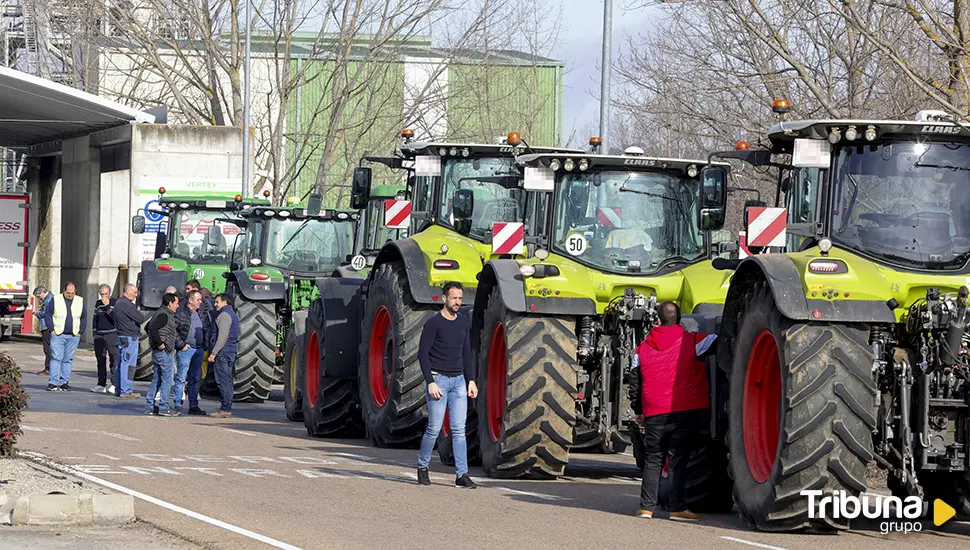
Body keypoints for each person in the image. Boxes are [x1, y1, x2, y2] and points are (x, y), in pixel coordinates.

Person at [630, 301, 716, 520]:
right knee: (677, 459)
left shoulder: (642, 348)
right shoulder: (694, 341)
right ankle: (677, 507)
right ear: (679, 320)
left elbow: (634, 383)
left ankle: (646, 508)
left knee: (653, 460)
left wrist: (639, 410)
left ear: (657, 320)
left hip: (654, 412)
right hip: (683, 410)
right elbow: (717, 339)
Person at [415, 281, 478, 489]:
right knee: (433, 428)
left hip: (459, 381)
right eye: (454, 298)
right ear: (444, 299)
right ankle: (422, 467)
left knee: (459, 430)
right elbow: (422, 354)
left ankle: (462, 474)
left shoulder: (462, 322)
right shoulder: (434, 324)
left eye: (460, 298)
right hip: (439, 381)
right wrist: (430, 382)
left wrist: (471, 380)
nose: (458, 302)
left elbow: (466, 353)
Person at [45, 282, 87, 392]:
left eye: (72, 293)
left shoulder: (79, 300)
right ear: (64, 290)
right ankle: (53, 383)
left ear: (75, 292)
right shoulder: (56, 299)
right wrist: (52, 330)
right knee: (56, 358)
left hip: (73, 335)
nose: (70, 295)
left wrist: (80, 332)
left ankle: (64, 382)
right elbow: (48, 315)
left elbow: (84, 317)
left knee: (68, 359)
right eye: (68, 293)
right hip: (58, 334)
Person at [174, 289, 209, 415]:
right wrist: (181, 344)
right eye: (198, 299)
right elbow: (174, 330)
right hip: (186, 350)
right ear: (190, 300)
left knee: (195, 378)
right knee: (181, 377)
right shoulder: (181, 313)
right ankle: (178, 404)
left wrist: (204, 345)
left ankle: (193, 405)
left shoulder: (200, 313)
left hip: (198, 349)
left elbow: (205, 329)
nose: (200, 302)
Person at [145, 292, 180, 416]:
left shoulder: (160, 313)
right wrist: (160, 343)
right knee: (167, 379)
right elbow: (152, 328)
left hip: (159, 352)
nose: (177, 306)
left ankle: (149, 406)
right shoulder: (164, 315)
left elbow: (147, 327)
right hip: (164, 352)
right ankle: (164, 407)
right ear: (169, 303)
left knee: (157, 379)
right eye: (176, 303)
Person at [209, 293, 239, 418]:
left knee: (223, 381)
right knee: (227, 380)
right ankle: (226, 407)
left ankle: (225, 408)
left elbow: (222, 336)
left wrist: (214, 353)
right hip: (230, 351)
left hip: (223, 352)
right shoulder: (232, 314)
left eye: (217, 302)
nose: (215, 304)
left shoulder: (224, 315)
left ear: (225, 302)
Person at [114, 283, 144, 398]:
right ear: (128, 292)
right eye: (134, 292)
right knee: (129, 364)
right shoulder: (126, 304)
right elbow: (140, 318)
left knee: (121, 363)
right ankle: (126, 390)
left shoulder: (119, 303)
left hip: (122, 336)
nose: (136, 295)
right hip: (129, 337)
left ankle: (119, 388)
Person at [92, 284, 118, 393]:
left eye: (106, 294)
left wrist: (107, 307)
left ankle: (114, 384)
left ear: (110, 293)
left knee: (114, 359)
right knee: (100, 360)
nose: (104, 297)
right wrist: (94, 332)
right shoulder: (98, 304)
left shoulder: (115, 303)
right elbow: (95, 318)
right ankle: (101, 384)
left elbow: (115, 318)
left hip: (111, 334)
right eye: (102, 294)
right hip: (99, 334)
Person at [32, 286, 54, 376]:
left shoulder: (49, 300)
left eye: (38, 296)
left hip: (47, 327)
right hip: (48, 326)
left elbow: (47, 314)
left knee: (47, 348)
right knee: (49, 348)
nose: (38, 298)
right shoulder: (49, 299)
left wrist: (38, 313)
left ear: (42, 293)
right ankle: (50, 368)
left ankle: (48, 368)